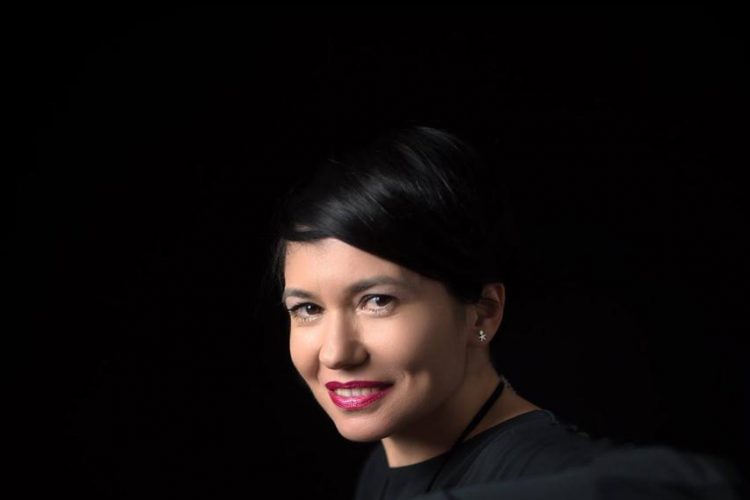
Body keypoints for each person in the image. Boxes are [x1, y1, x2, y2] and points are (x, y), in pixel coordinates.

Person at [265, 125, 746, 499]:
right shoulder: (386, 464)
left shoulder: (538, 463)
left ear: (483, 313)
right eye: (307, 308)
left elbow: (705, 483)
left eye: (378, 301)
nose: (336, 352)